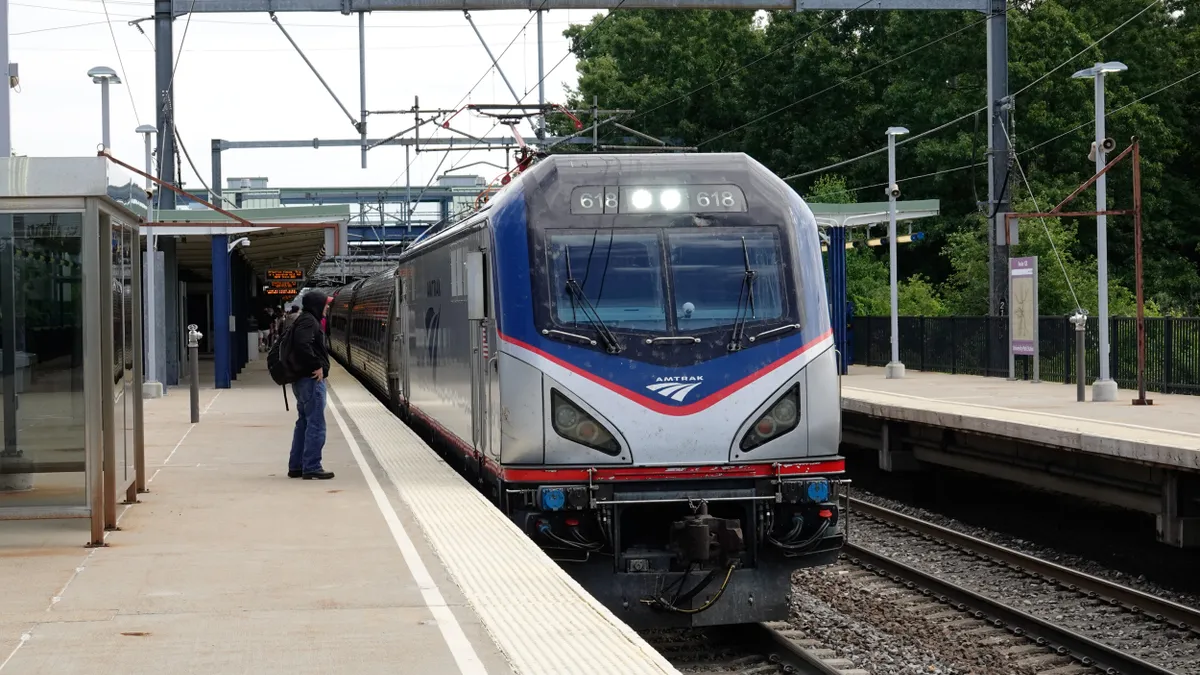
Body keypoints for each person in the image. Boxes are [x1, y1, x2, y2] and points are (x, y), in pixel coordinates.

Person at [287, 290, 334, 480]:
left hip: (302, 381)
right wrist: (317, 366)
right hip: (311, 381)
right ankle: (312, 466)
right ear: (317, 304)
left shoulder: (304, 319)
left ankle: (297, 466)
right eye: (326, 304)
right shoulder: (308, 321)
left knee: (304, 423)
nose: (328, 307)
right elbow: (302, 344)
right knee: (315, 424)